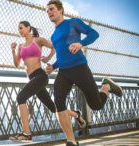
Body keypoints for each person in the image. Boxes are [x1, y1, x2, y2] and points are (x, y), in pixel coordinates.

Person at [45, 0, 123, 146]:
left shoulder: (73, 23)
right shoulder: (54, 36)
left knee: (96, 105)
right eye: (47, 10)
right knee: (59, 102)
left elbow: (94, 33)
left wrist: (81, 43)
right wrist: (53, 66)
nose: (49, 12)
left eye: (51, 9)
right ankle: (71, 140)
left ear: (61, 10)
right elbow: (61, 57)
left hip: (79, 68)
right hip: (64, 72)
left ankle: (106, 86)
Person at [8, 21, 56, 142]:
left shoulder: (38, 40)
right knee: (52, 107)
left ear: (28, 28)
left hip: (40, 76)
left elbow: (54, 46)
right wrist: (13, 50)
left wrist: (48, 58)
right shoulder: (21, 46)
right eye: (18, 29)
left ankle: (26, 133)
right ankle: (76, 114)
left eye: (21, 28)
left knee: (20, 98)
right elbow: (16, 64)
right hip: (32, 78)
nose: (19, 31)